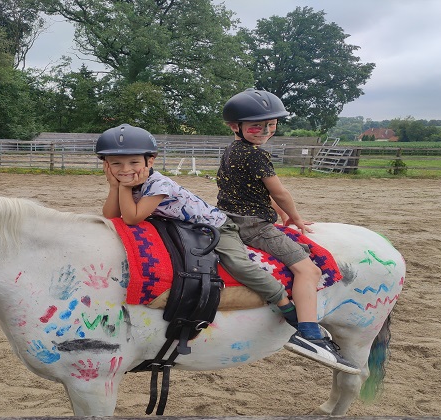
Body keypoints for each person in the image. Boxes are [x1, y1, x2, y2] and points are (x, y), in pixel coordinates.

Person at [217, 88, 360, 374]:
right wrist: (295, 216)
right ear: (236, 126)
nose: (266, 130)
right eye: (258, 125)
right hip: (252, 225)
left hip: (225, 217)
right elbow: (278, 192)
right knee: (309, 271)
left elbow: (254, 190)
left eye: (272, 124)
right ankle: (309, 333)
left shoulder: (232, 150)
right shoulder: (257, 156)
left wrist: (282, 216)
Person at [98, 123, 293, 321]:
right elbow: (112, 216)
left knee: (238, 264)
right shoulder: (131, 182)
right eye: (115, 164)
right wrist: (115, 186)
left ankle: (282, 300)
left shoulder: (159, 184)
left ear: (150, 161)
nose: (125, 169)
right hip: (186, 227)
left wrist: (123, 187)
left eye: (133, 162)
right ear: (106, 165)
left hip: (215, 226)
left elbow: (132, 218)